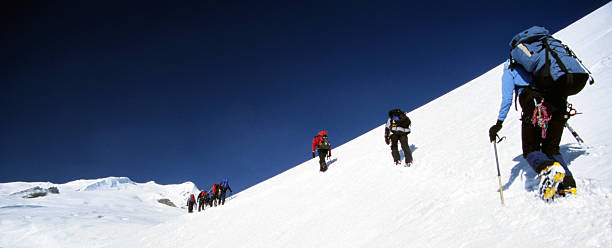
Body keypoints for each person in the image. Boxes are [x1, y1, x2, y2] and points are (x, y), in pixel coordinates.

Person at [489, 59, 576, 201]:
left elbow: (507, 99)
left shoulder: (509, 73)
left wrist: (498, 123)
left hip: (535, 107)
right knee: (552, 148)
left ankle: (548, 168)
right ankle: (568, 184)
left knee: (530, 149)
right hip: (557, 105)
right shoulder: (536, 68)